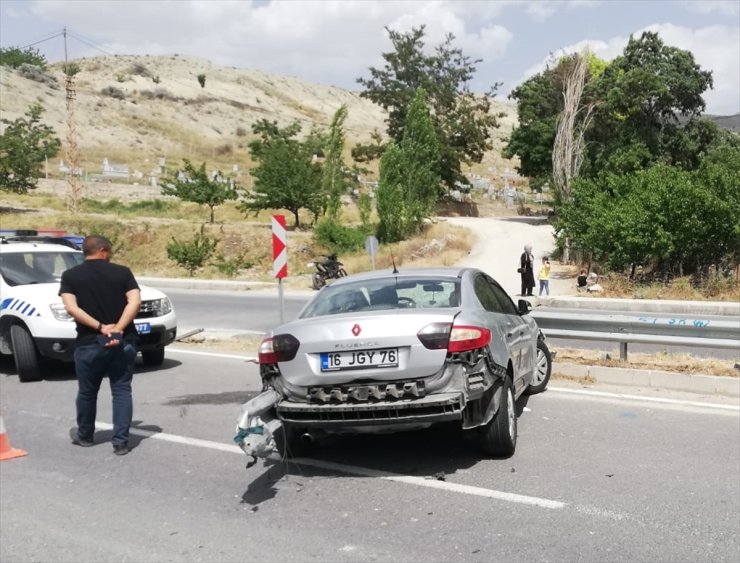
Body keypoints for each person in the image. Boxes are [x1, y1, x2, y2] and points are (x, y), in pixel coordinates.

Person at [59, 235, 141, 456]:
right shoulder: (123, 272)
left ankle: (85, 436)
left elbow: (71, 308)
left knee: (87, 391)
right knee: (122, 390)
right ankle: (121, 442)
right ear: (103, 250)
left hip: (89, 341)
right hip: (123, 340)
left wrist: (100, 327)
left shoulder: (70, 276)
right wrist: (119, 328)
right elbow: (135, 301)